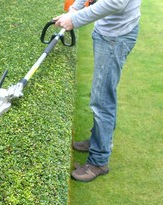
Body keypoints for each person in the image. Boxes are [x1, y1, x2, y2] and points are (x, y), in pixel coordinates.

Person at [54, 0, 142, 182]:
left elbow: (115, 3)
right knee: (102, 95)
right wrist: (74, 9)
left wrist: (75, 19)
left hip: (116, 36)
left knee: (102, 99)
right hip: (107, 31)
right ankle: (97, 141)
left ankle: (99, 161)